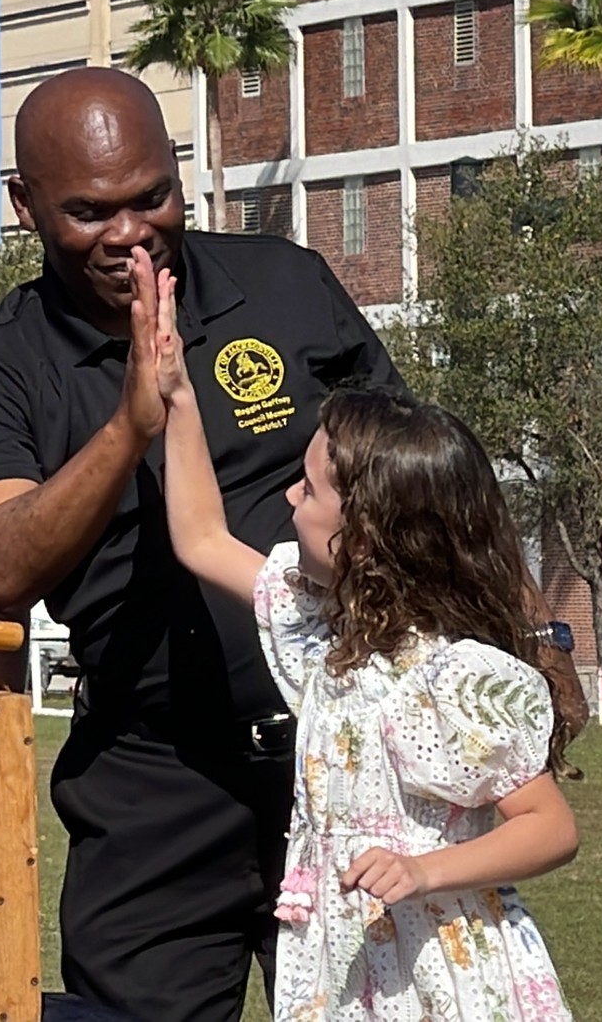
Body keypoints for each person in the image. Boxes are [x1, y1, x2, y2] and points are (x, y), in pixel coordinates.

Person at [0, 66, 401, 1020]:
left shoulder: (285, 285)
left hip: (348, 762)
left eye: (153, 196)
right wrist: (129, 425)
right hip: (156, 784)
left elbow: (415, 490)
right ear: (23, 206)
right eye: (91, 211)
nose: (132, 232)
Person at [153, 274, 580, 1019]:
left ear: (368, 534)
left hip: (442, 979)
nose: (290, 496)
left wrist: (423, 869)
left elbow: (551, 826)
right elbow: (199, 537)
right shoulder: (326, 635)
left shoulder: (452, 678)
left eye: (310, 489)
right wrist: (180, 399)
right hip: (348, 968)